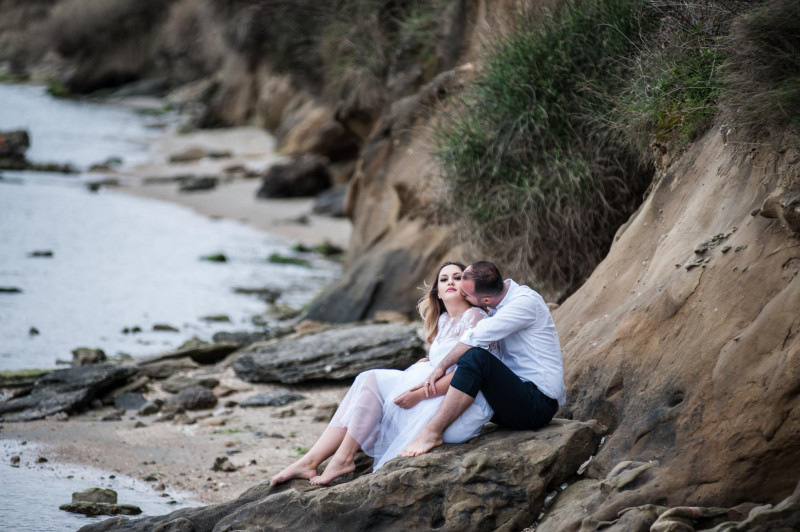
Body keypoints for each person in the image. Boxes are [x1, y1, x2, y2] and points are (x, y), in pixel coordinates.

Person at [270, 261, 497, 486]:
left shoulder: (474, 316)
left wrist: (418, 395)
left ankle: (340, 458)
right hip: (436, 391)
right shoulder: (444, 319)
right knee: (367, 379)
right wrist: (430, 360)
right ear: (437, 292)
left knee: (373, 386)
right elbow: (447, 356)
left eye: (457, 277)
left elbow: (469, 373)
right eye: (444, 279)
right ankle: (312, 460)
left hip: (458, 404)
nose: (450, 282)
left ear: (468, 286)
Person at [399, 260, 565, 458]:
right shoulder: (498, 298)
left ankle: (432, 432)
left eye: (466, 293)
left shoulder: (523, 303)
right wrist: (432, 359)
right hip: (510, 393)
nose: (461, 294)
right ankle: (416, 425)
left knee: (475, 356)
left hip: (536, 404)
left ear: (486, 300)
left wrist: (440, 367)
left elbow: (475, 338)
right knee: (467, 365)